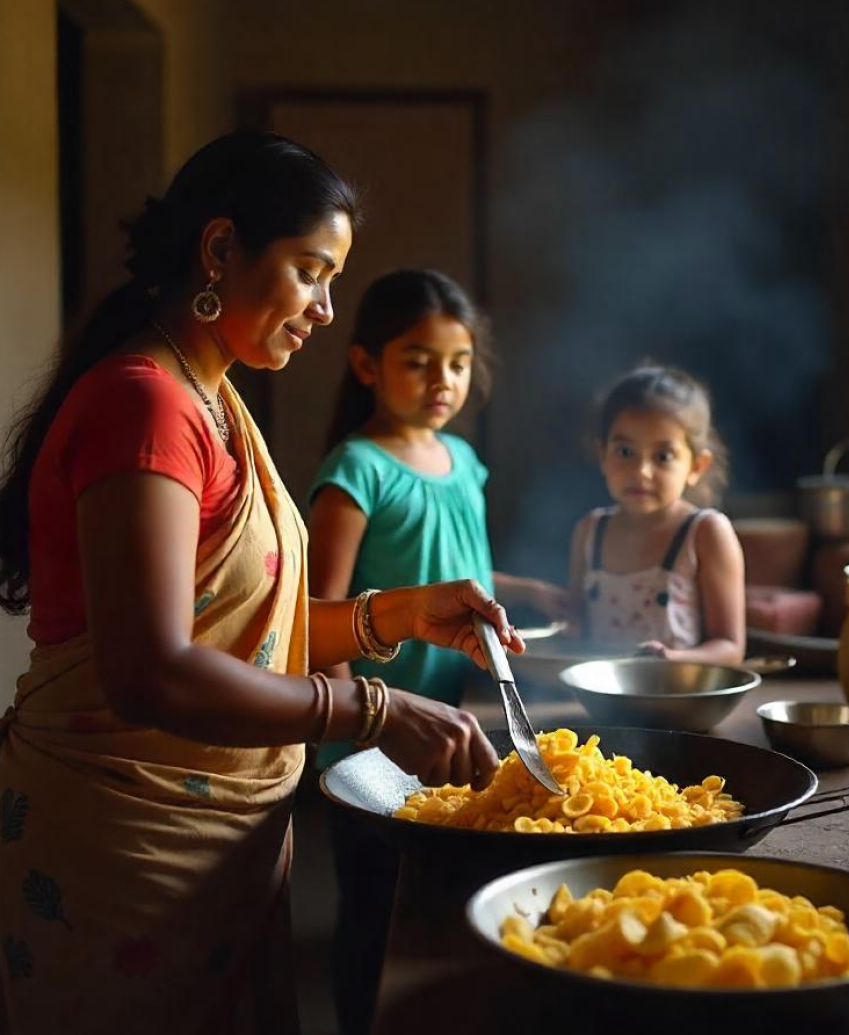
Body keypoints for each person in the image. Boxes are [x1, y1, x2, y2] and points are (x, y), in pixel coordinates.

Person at [0, 132, 518, 1035]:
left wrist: (394, 614)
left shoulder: (210, 396)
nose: (325, 309)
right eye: (311, 271)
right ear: (219, 250)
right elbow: (152, 670)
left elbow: (247, 631)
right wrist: (371, 711)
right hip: (120, 859)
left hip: (214, 858)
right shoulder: (146, 403)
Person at [306, 267, 567, 1033]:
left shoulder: (462, 461)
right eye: (417, 360)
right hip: (375, 741)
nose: (441, 379)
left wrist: (527, 588)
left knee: (436, 902)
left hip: (457, 720)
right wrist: (365, 726)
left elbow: (459, 571)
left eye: (456, 363)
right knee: (375, 909)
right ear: (366, 366)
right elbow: (320, 616)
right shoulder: (356, 471)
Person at [567, 364, 745, 663]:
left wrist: (670, 661)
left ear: (696, 467)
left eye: (663, 457)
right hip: (599, 704)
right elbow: (575, 629)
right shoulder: (589, 531)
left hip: (678, 703)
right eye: (625, 452)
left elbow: (730, 647)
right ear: (602, 455)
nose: (641, 472)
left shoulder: (705, 533)